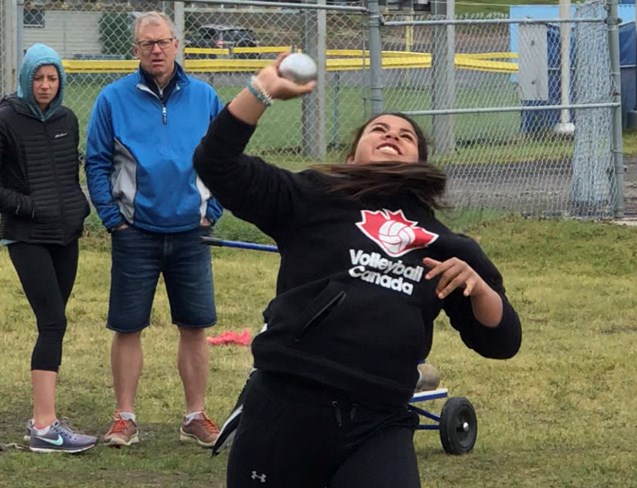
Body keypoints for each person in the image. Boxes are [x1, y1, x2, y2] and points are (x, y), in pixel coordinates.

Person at [193, 53, 522, 487]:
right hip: (286, 404)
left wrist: (481, 292)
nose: (392, 135)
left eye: (406, 135)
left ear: (419, 160)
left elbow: (501, 342)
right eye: (379, 130)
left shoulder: (447, 246)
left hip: (378, 422)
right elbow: (216, 163)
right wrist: (261, 89)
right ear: (351, 156)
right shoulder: (309, 197)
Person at [85, 11, 223, 448]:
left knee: (194, 325)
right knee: (127, 327)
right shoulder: (112, 99)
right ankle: (124, 417)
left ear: (177, 44)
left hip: (191, 233)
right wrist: (113, 219)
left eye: (163, 42)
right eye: (147, 44)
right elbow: (96, 161)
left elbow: (226, 160)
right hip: (136, 233)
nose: (156, 50)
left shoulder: (204, 97)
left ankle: (195, 416)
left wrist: (212, 209)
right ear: (136, 50)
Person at [0, 43, 97, 453]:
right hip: (27, 237)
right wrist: (27, 208)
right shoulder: (6, 120)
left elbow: (69, 174)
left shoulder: (67, 119)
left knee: (54, 324)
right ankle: (44, 427)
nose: (44, 85)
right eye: (37, 77)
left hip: (65, 236)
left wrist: (79, 209)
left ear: (60, 81)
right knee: (53, 322)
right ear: (25, 79)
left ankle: (45, 415)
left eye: (52, 78)